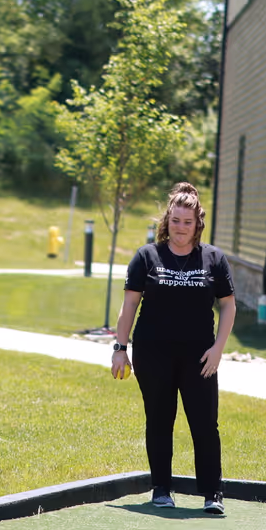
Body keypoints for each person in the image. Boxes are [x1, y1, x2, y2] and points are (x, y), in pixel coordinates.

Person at [111, 182, 237, 513]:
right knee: (159, 419)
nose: (181, 228)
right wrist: (120, 347)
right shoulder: (147, 256)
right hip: (153, 353)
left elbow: (228, 306)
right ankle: (161, 489)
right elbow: (129, 307)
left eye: (188, 222)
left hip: (200, 356)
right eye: (176, 221)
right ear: (167, 221)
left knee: (205, 423)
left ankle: (212, 494)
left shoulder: (214, 258)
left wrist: (219, 349)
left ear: (198, 224)